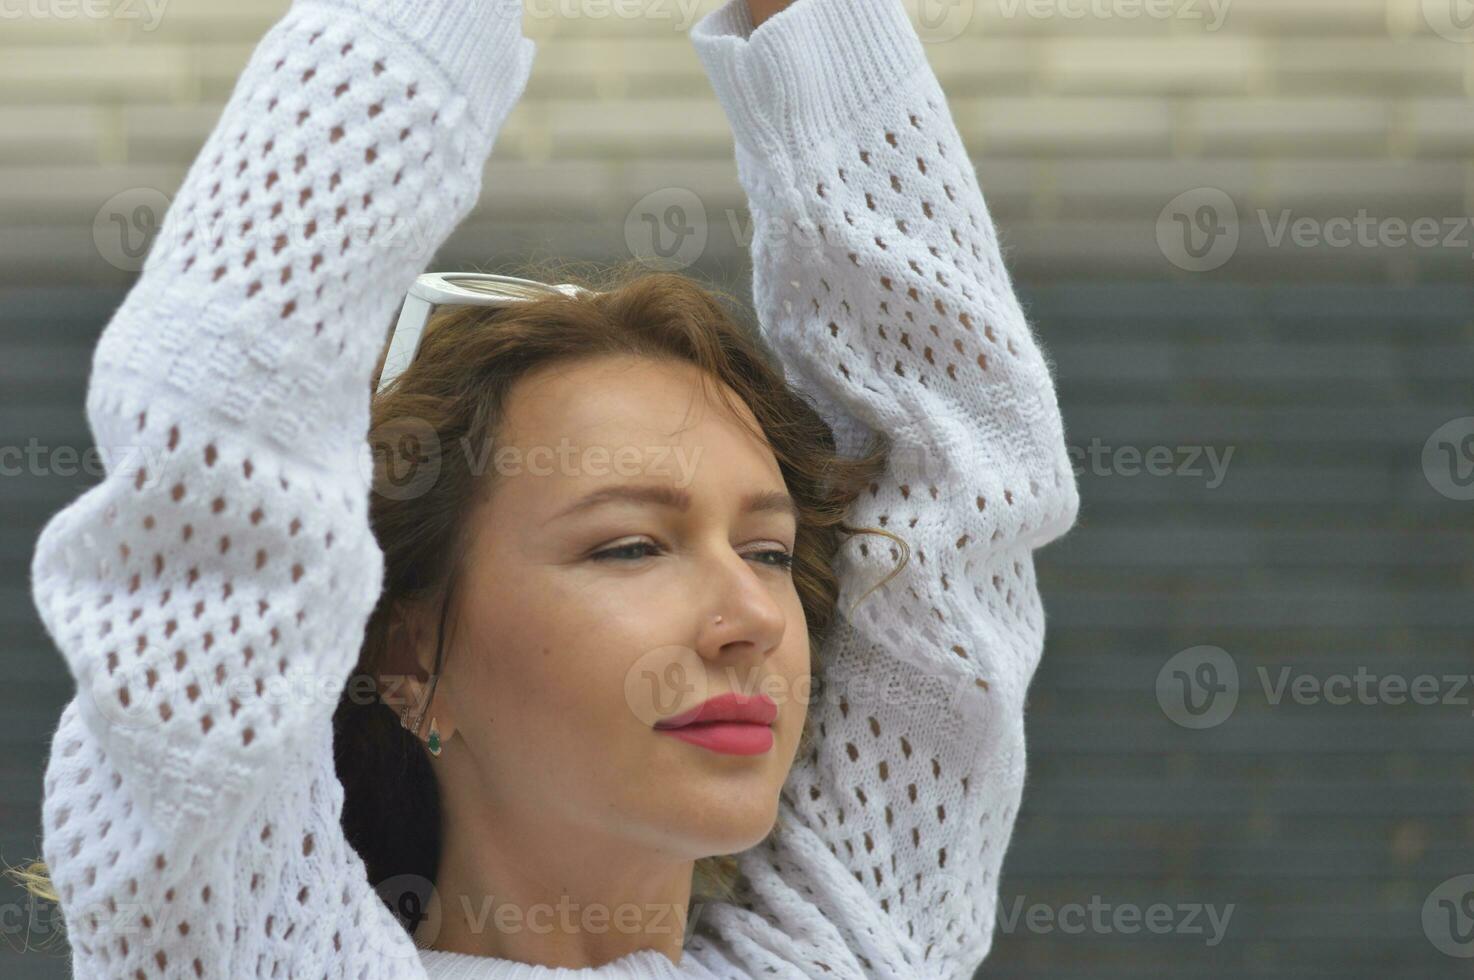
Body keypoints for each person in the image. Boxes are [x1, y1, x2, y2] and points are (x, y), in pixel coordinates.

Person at [21, 0, 1080, 976]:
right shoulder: (251, 946)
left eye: (765, 549)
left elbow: (957, 489)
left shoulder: (849, 951)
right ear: (405, 654)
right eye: (630, 545)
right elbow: (215, 452)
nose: (752, 615)